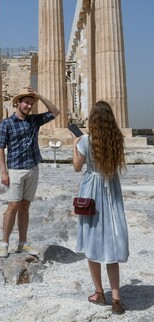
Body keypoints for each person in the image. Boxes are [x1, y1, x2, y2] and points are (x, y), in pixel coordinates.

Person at [72, 100, 128, 315]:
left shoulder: (85, 140)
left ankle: (98, 292)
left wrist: (74, 146)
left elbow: (77, 167)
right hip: (111, 192)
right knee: (111, 243)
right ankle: (116, 299)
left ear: (93, 119)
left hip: (92, 192)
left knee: (92, 241)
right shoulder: (117, 139)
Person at [0, 87, 59, 258]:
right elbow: (0, 147)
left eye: (31, 104)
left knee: (25, 206)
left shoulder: (34, 121)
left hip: (32, 167)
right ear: (18, 103)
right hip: (15, 168)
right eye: (26, 103)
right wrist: (3, 171)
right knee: (13, 206)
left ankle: (22, 243)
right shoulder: (6, 123)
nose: (29, 106)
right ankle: (4, 243)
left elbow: (55, 112)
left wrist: (40, 96)